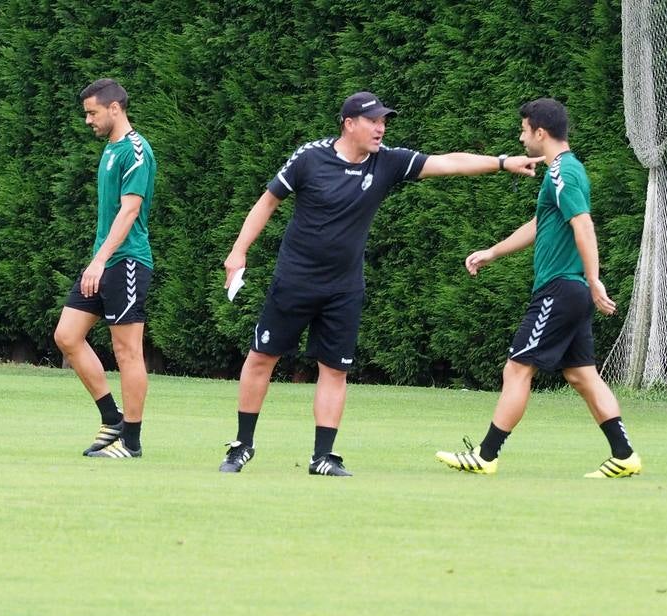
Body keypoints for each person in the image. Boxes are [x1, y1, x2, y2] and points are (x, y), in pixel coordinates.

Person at [220, 91, 542, 476]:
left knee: (334, 369)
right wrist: (239, 251)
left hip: (344, 288)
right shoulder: (310, 157)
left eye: (384, 121)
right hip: (294, 280)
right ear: (349, 123)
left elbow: (447, 163)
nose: (381, 127)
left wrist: (503, 163)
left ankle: (323, 457)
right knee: (261, 358)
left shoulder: (387, 162)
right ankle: (242, 446)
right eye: (373, 121)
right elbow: (267, 202)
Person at [436, 98, 642, 478]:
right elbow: (540, 224)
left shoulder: (563, 172)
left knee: (516, 370)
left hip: (561, 290)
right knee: (582, 375)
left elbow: (583, 224)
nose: (521, 137)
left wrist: (594, 279)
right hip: (571, 290)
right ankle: (625, 455)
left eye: (523, 130)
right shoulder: (561, 172)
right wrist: (492, 252)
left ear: (540, 133)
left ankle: (486, 454)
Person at [53, 78, 157, 459]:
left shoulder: (136, 150)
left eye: (92, 112)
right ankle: (112, 418)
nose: (88, 120)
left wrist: (99, 260)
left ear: (115, 109)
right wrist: (97, 260)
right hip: (103, 261)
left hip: (128, 261)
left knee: (127, 350)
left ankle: (131, 442)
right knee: (67, 335)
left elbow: (130, 211)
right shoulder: (111, 150)